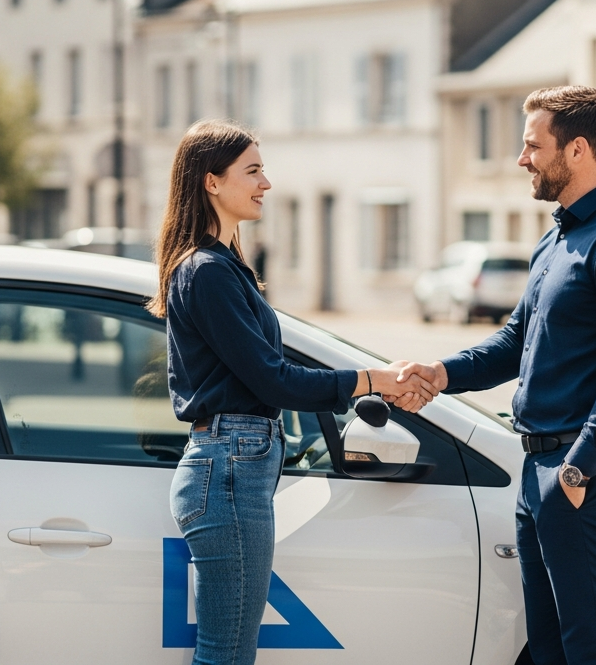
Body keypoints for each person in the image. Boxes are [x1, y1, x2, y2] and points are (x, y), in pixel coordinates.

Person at [398, 87, 596, 665]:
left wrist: (579, 467)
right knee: (549, 653)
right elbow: (516, 342)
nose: (521, 159)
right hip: (540, 471)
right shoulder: (558, 236)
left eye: (531, 145)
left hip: (585, 472)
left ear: (576, 150)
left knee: (595, 654)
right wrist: (440, 373)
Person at [147, 120, 434, 665]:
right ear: (211, 182)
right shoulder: (206, 271)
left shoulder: (222, 266)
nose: (266, 183)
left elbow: (269, 372)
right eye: (253, 170)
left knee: (228, 650)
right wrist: (373, 381)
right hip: (229, 471)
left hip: (234, 468)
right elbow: (273, 379)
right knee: (227, 653)